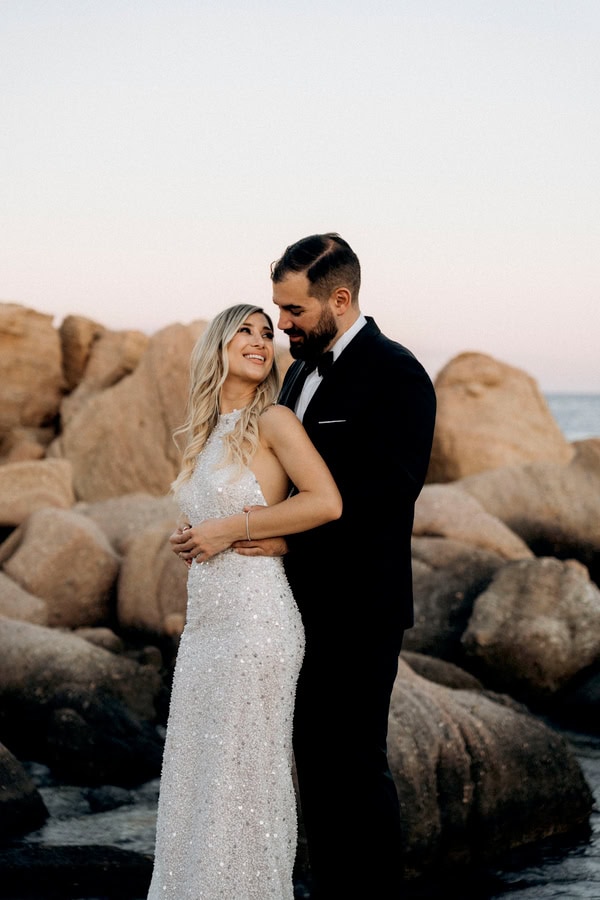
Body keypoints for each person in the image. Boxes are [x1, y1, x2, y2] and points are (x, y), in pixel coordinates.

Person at [236, 234, 437, 898]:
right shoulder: (299, 373)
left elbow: (387, 495)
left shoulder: (397, 373)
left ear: (339, 299)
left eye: (293, 310)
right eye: (278, 308)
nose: (283, 324)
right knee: (315, 765)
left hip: (361, 606)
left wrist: (288, 541)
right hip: (297, 604)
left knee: (355, 764)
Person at [147, 303, 342, 900]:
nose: (260, 340)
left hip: (257, 625)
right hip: (208, 627)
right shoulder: (207, 430)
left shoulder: (276, 420)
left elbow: (326, 502)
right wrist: (195, 534)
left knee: (242, 789)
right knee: (198, 782)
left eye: (267, 332)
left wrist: (233, 529)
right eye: (246, 331)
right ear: (219, 345)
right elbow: (214, 518)